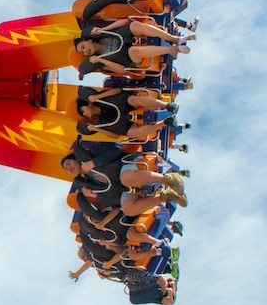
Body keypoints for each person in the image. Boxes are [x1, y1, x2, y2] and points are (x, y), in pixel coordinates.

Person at [60, 144, 188, 214]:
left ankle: (169, 179)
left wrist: (94, 162)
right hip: (124, 187)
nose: (69, 168)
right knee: (128, 209)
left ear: (75, 158)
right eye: (67, 169)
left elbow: (114, 152)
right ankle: (168, 196)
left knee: (125, 178)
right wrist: (94, 195)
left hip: (126, 164)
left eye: (69, 164)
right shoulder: (89, 181)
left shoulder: (93, 151)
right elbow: (110, 196)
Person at [75, 22, 188, 77]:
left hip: (129, 38)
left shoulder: (102, 35)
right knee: (133, 51)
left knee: (134, 25)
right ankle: (175, 49)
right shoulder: (100, 61)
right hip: (131, 58)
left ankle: (175, 39)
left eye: (83, 47)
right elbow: (122, 70)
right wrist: (101, 61)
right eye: (82, 52)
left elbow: (124, 21)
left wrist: (102, 30)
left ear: (89, 40)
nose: (85, 51)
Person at [75, 86, 177, 139]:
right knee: (132, 133)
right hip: (124, 124)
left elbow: (117, 90)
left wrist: (96, 97)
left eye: (83, 110)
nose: (84, 114)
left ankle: (167, 106)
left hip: (124, 104)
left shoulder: (100, 98)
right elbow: (115, 136)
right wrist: (95, 128)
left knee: (132, 99)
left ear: (88, 104)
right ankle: (165, 123)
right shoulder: (100, 122)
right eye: (83, 114)